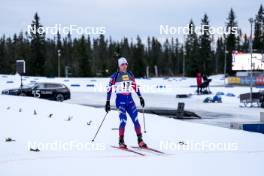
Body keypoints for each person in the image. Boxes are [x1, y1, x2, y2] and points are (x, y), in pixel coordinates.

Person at [105, 57, 147, 149]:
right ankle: (121, 141)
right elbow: (109, 89)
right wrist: (107, 102)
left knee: (136, 120)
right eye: (122, 65)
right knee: (123, 120)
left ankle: (140, 140)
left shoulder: (130, 74)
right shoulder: (114, 76)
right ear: (119, 66)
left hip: (130, 101)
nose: (124, 66)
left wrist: (140, 97)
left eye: (126, 64)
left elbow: (135, 86)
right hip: (120, 102)